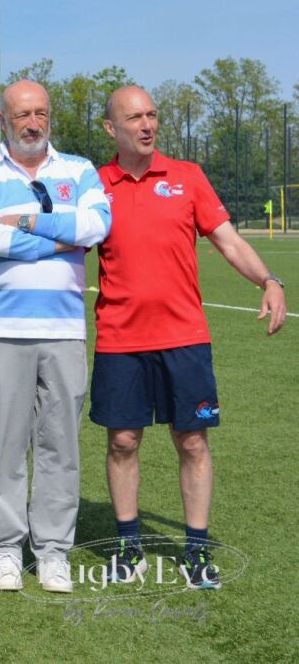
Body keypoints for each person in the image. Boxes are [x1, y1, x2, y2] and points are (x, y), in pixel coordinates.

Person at [94, 85, 287, 590]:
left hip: (184, 336)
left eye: (152, 114)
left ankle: (196, 552)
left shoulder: (187, 177)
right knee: (122, 441)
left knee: (193, 441)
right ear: (111, 129)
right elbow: (65, 249)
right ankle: (127, 545)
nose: (147, 124)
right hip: (119, 337)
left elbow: (227, 240)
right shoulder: (94, 185)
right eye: (134, 117)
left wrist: (268, 281)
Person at [0, 79, 110, 594]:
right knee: (6, 447)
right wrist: (61, 238)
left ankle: (53, 552)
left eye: (40, 113)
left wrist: (25, 219)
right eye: (22, 113)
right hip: (3, 329)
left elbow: (96, 227)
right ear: (2, 119)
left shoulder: (80, 169)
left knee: (60, 447)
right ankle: (6, 549)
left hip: (65, 331)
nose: (32, 122)